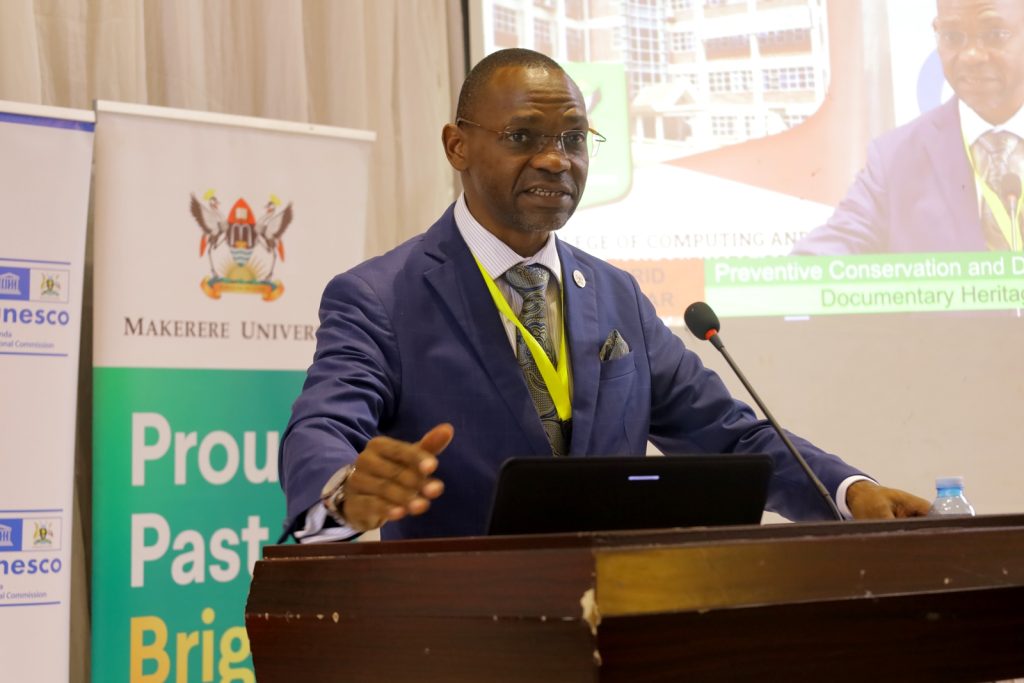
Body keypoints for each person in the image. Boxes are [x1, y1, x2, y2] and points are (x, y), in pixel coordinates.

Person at [279, 48, 929, 542]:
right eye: (524, 137)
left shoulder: (616, 295)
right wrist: (343, 492)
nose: (557, 160)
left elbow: (726, 435)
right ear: (458, 145)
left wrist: (848, 492)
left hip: (616, 628)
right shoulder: (380, 297)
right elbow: (321, 426)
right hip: (462, 635)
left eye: (571, 139)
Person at [793, 0, 1024, 255]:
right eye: (952, 36)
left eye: (994, 34)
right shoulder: (894, 158)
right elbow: (832, 250)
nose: (971, 55)